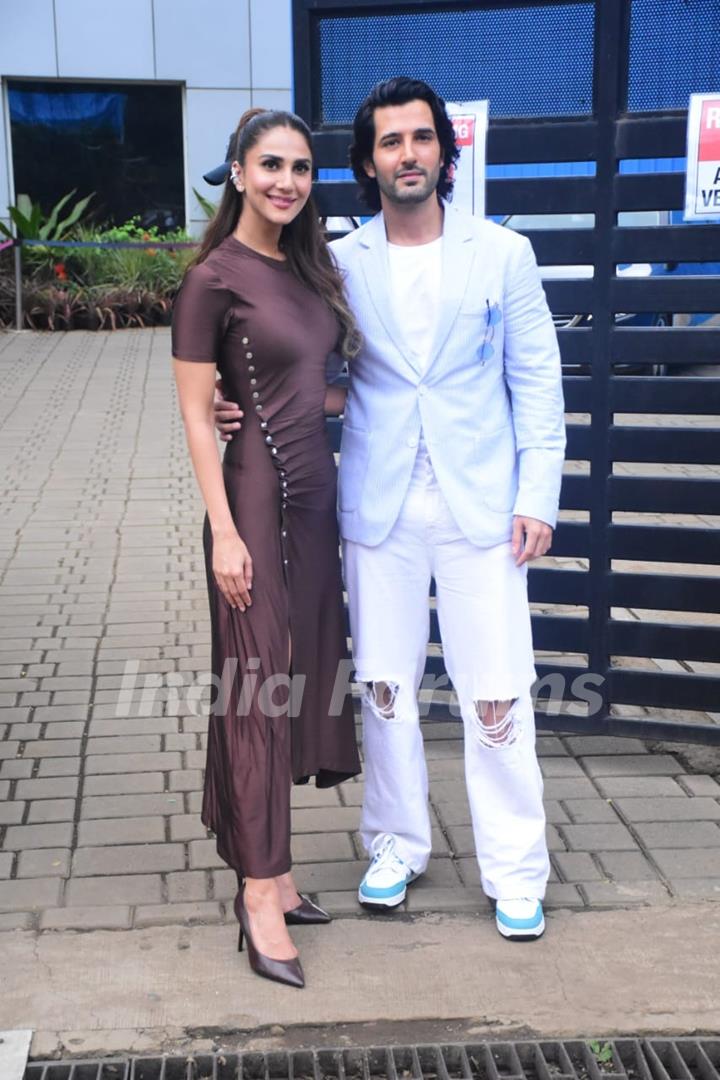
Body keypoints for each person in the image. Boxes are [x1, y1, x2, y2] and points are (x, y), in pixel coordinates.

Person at [215, 79, 566, 941]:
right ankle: (396, 845)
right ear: (368, 163)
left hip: (483, 506)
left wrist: (538, 498)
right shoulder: (337, 260)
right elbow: (302, 371)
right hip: (376, 505)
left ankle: (516, 868)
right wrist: (238, 407)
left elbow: (538, 383)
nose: (406, 154)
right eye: (389, 143)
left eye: (420, 139)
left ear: (446, 151)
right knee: (382, 689)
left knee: (496, 695)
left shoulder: (503, 254)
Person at [172, 107, 361, 989]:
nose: (288, 180)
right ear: (238, 173)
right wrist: (223, 531)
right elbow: (194, 416)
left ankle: (279, 873)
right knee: (256, 691)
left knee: (291, 687)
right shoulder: (214, 277)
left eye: (302, 168)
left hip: (316, 509)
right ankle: (256, 895)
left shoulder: (309, 267)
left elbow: (313, 388)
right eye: (271, 165)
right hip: (255, 503)